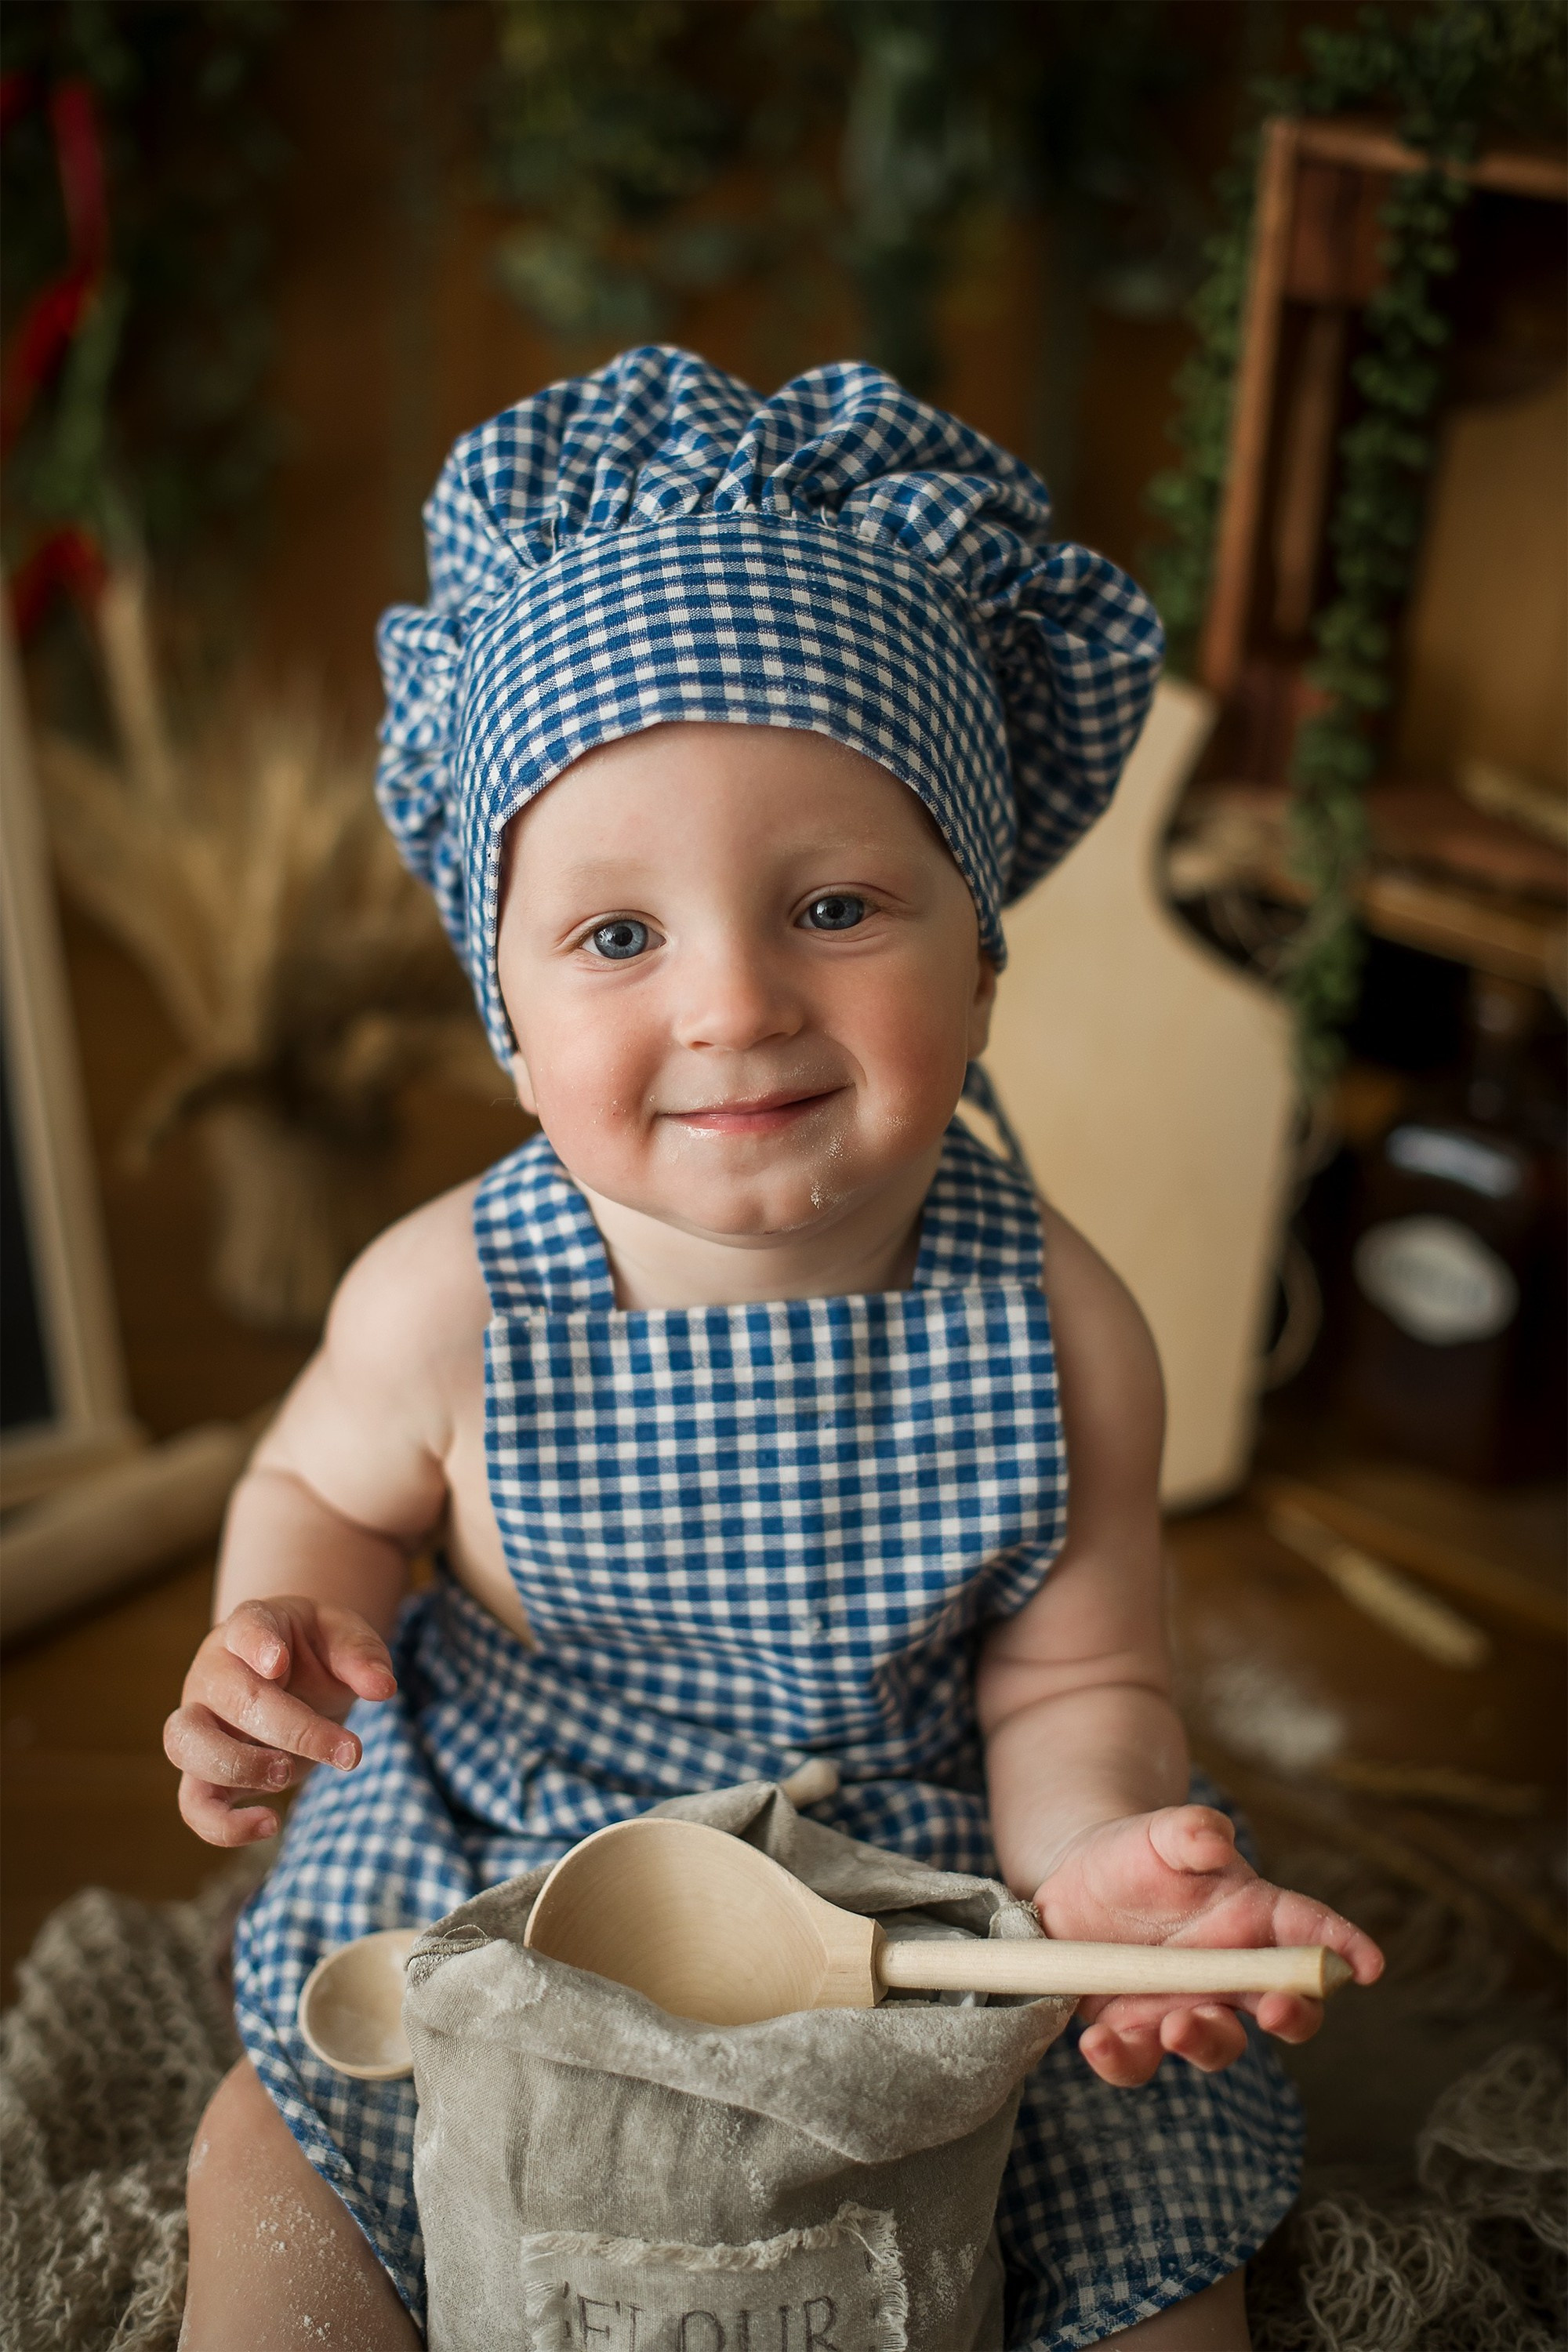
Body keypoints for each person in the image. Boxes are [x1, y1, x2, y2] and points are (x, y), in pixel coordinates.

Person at [168, 347, 1381, 2352]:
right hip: (515, 1863)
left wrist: (1094, 1875)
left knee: (1149, 2202)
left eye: (831, 905)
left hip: (905, 1885)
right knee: (281, 2160)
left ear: (978, 953)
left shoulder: (1059, 1322)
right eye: (619, 939)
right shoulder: (448, 1295)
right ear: (504, 1007)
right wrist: (281, 1625)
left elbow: (1075, 1676)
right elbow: (312, 1489)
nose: (731, 1004)